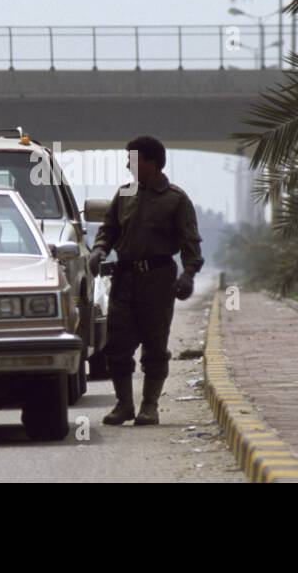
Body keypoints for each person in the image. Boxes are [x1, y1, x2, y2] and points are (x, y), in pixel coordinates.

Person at [88, 136, 202, 426]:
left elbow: (191, 242)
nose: (128, 164)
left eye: (133, 159)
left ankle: (149, 406)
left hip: (158, 279)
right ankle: (124, 404)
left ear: (150, 163)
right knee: (117, 343)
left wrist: (188, 274)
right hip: (125, 277)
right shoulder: (125, 194)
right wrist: (100, 249)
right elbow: (109, 228)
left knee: (154, 344)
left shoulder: (176, 199)